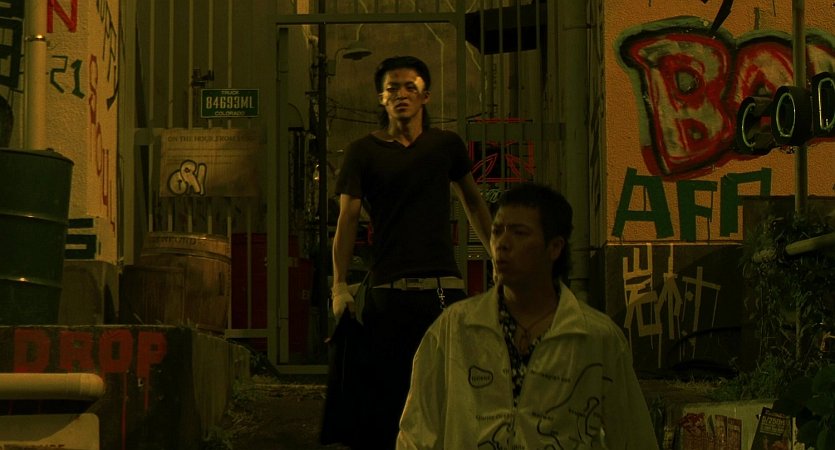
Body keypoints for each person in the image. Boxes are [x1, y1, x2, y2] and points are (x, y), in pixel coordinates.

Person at [397, 182, 659, 450]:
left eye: (519, 233)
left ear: (554, 247)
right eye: (496, 232)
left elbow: (633, 436)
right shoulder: (454, 328)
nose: (502, 244)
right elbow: (416, 433)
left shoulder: (596, 337)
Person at [326, 55, 493, 449]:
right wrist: (339, 286)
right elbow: (347, 218)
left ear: (425, 95)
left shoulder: (445, 146)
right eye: (392, 88)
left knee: (450, 395)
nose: (401, 94)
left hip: (443, 290)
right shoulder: (363, 152)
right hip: (388, 291)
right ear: (381, 98)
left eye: (409, 87)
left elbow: (473, 202)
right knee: (390, 399)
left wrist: (496, 258)